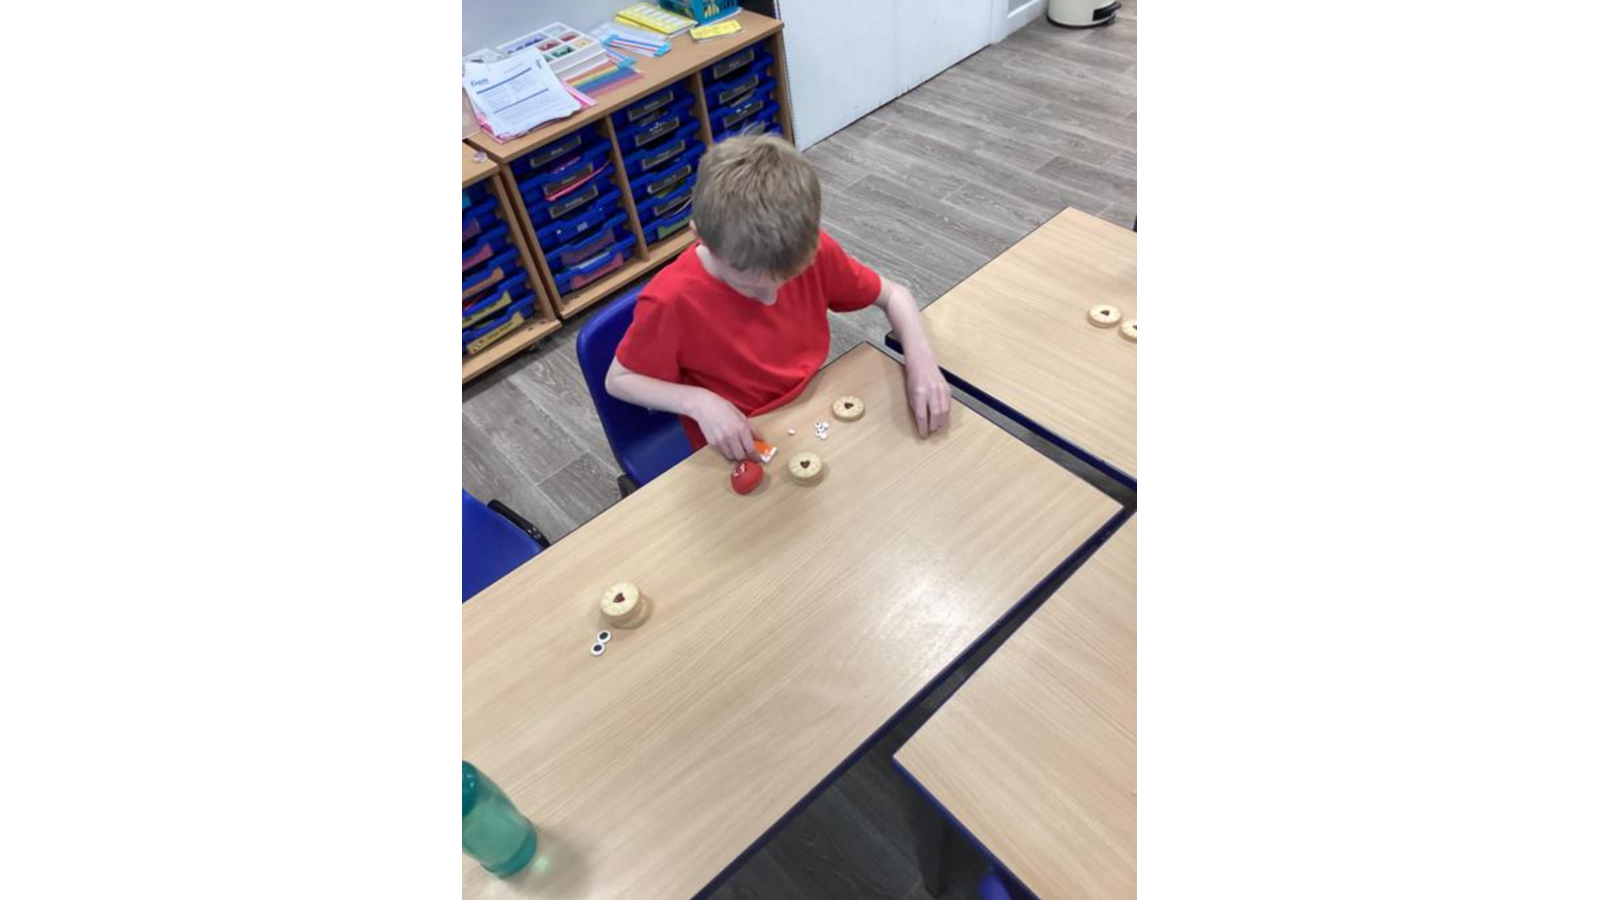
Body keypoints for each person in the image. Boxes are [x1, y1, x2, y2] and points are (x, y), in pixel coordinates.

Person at [605, 134, 951, 461]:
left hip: (810, 404)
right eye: (752, 286)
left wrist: (921, 363)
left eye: (785, 279)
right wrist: (699, 402)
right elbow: (619, 380)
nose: (770, 298)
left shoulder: (813, 250)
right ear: (701, 238)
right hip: (742, 432)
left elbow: (895, 295)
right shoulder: (671, 301)